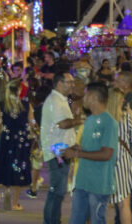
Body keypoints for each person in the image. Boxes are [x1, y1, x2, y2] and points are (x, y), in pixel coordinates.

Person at [63, 83, 118, 224]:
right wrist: (75, 148)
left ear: (93, 97)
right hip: (82, 181)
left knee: (97, 220)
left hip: (99, 184)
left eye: (86, 94)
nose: (83, 98)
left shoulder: (109, 122)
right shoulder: (89, 120)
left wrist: (77, 155)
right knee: (76, 220)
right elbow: (88, 147)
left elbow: (106, 154)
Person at [41, 72, 82, 224]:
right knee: (57, 191)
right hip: (57, 152)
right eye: (69, 82)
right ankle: (51, 221)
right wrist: (80, 120)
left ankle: (53, 220)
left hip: (63, 150)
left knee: (58, 191)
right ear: (59, 84)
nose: (72, 85)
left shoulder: (61, 99)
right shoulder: (54, 101)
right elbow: (63, 123)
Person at [0, 77, 31, 211]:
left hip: (6, 140)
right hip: (21, 141)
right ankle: (15, 202)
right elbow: (32, 124)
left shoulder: (1, 105)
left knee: (7, 166)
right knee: (19, 168)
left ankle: (7, 192)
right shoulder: (26, 105)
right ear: (19, 90)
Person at [105, 87, 132, 224]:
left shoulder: (101, 118)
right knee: (124, 204)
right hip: (122, 159)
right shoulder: (126, 116)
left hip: (104, 158)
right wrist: (130, 112)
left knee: (100, 203)